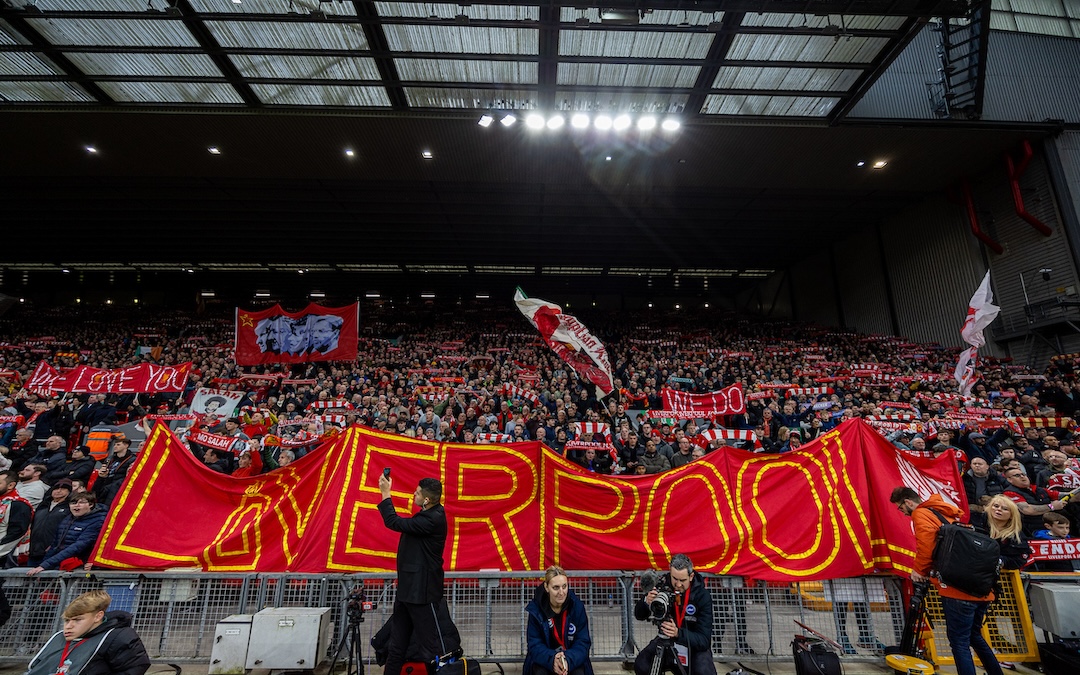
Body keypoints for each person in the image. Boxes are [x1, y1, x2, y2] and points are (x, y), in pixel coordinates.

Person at [890, 487, 1003, 675]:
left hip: (956, 589)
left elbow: (927, 545)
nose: (901, 512)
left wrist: (919, 570)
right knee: (975, 637)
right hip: (980, 588)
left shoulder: (921, 514)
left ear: (908, 502)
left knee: (959, 642)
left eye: (900, 507)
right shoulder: (944, 512)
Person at [377, 474, 447, 675]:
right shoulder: (427, 514)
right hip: (407, 591)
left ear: (426, 500)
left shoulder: (433, 519)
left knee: (431, 646)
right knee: (397, 644)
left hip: (422, 594)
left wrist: (385, 493)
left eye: (417, 493)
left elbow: (393, 522)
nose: (413, 494)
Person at [23, 589, 150, 675]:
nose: (69, 626)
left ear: (97, 616)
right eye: (67, 620)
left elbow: (134, 669)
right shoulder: (59, 638)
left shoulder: (118, 637)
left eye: (77, 620)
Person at [633, 553, 715, 675]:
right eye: (674, 578)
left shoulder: (702, 596)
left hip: (692, 646)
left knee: (704, 671)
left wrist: (677, 633)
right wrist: (646, 601)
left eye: (682, 580)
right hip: (666, 642)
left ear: (691, 576)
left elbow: (704, 640)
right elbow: (639, 615)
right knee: (642, 664)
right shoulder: (662, 585)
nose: (678, 584)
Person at [524, 566, 594, 675]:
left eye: (564, 586)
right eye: (556, 587)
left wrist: (567, 660)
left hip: (571, 659)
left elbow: (583, 642)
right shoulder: (536, 610)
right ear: (546, 587)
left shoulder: (577, 607)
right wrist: (552, 660)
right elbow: (534, 644)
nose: (561, 592)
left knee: (578, 672)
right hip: (545, 660)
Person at [27, 491, 107, 575]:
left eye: (81, 502)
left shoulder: (98, 521)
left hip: (80, 566)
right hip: (61, 563)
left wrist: (46, 565)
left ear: (91, 505)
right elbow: (55, 545)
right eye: (73, 502)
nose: (77, 505)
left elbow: (78, 546)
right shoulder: (68, 519)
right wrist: (43, 565)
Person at [28, 479, 72, 567]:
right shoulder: (43, 505)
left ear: (69, 492)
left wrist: (54, 545)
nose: (58, 491)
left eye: (63, 489)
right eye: (56, 488)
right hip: (33, 550)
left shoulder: (69, 508)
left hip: (53, 551)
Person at [985, 495, 1030, 570]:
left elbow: (1019, 560)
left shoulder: (1017, 536)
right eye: (996, 506)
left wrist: (1000, 561)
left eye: (1005, 509)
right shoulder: (978, 525)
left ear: (1011, 515)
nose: (999, 509)